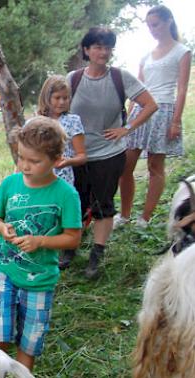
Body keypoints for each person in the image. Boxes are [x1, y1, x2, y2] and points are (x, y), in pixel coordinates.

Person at [0, 117, 82, 378]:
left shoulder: (66, 194)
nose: (25, 166)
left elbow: (73, 237)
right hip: (6, 269)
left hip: (40, 280)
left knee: (29, 338)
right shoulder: (11, 183)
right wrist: (2, 229)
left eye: (34, 161)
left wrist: (41, 241)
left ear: (56, 160)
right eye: (21, 158)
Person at [67, 27, 157, 278]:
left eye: (107, 47)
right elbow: (55, 109)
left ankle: (97, 253)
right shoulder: (72, 79)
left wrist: (126, 129)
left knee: (103, 204)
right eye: (97, 47)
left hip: (109, 153)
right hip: (77, 154)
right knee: (75, 203)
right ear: (86, 50)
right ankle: (70, 247)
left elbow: (150, 104)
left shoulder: (120, 77)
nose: (103, 52)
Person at [117, 5, 192, 229]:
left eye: (156, 24)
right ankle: (125, 214)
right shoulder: (146, 56)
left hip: (164, 111)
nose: (152, 29)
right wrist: (127, 120)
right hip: (141, 111)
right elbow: (136, 90)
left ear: (169, 21)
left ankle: (145, 218)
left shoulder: (182, 52)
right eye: (149, 26)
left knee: (155, 166)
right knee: (125, 166)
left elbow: (181, 89)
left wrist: (176, 121)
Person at [36, 75, 87, 186]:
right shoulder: (36, 122)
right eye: (57, 98)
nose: (62, 102)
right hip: (38, 178)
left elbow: (82, 156)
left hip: (63, 181)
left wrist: (67, 162)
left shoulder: (73, 121)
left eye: (66, 98)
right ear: (47, 97)